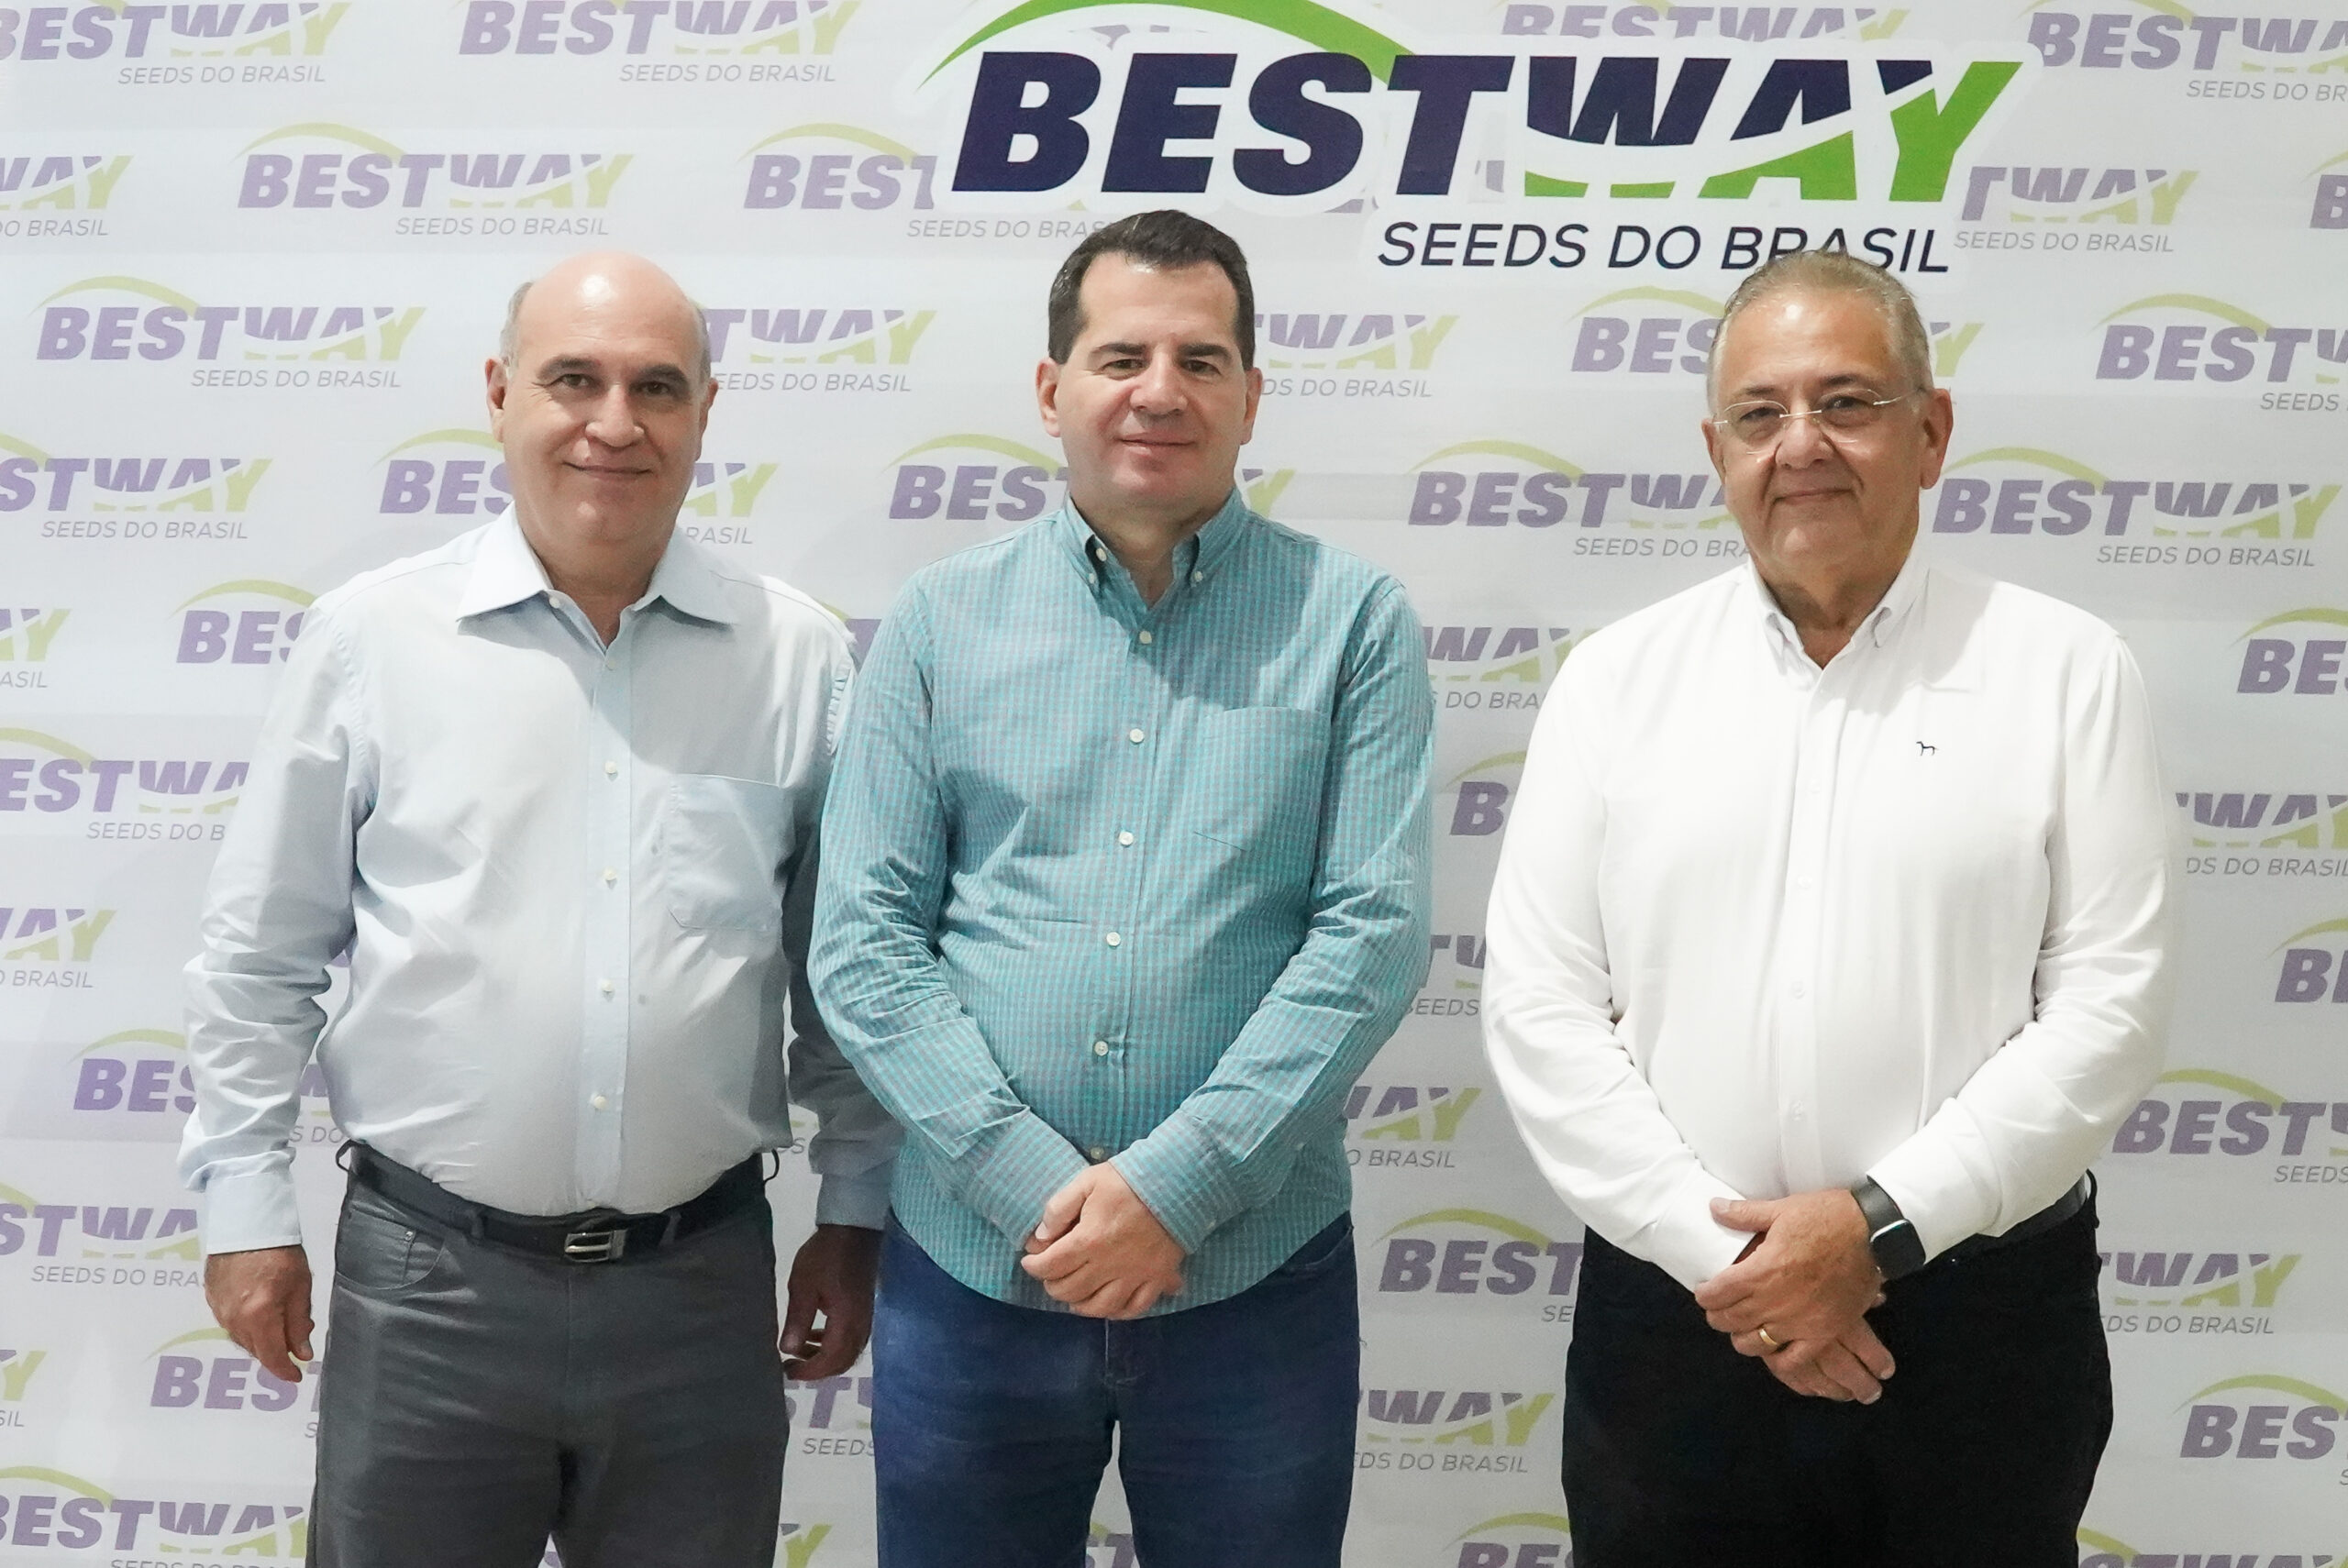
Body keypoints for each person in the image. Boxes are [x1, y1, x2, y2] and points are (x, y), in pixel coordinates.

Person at [180, 251, 898, 1567]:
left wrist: (854, 1212)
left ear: (706, 411)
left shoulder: (797, 659)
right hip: (430, 1289)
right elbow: (260, 954)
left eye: (656, 387)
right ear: (501, 391)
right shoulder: (373, 641)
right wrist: (244, 1208)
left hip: (699, 1295)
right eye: (575, 379)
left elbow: (844, 976)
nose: (614, 422)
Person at [1481, 249, 2174, 1566]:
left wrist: (1877, 1229)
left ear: (1933, 431)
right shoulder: (1615, 683)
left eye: (1847, 402)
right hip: (1685, 1318)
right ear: (1717, 450)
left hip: (1978, 1328)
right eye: (1761, 413)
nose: (1800, 444)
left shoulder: (2067, 671)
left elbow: (2111, 1009)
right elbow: (1540, 1004)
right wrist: (1738, 1268)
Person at [809, 209, 1434, 1568]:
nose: (1161, 391)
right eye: (1121, 357)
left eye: (1202, 360)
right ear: (1052, 390)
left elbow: (1372, 938)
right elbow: (863, 940)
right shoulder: (939, 621)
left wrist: (1178, 1190)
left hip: (1253, 1282)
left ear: (1252, 396)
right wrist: (1035, 1184)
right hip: (974, 1278)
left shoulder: (1354, 623)